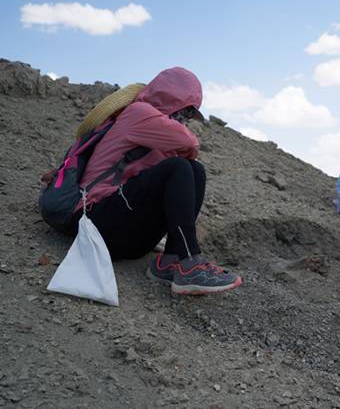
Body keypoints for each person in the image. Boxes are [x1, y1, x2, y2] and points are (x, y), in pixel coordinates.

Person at [73, 67, 241, 295]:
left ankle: (170, 261)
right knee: (180, 167)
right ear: (172, 99)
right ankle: (190, 261)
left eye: (190, 114)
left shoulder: (159, 134)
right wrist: (181, 149)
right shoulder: (138, 112)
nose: (186, 118)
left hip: (126, 238)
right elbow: (190, 143)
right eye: (187, 110)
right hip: (93, 221)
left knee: (194, 170)